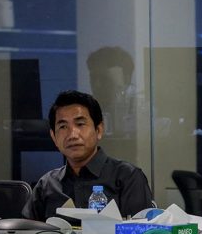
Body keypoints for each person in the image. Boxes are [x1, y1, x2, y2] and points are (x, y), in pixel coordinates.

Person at [22, 90, 154, 221]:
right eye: (63, 127)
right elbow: (25, 230)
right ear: (54, 137)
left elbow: (142, 231)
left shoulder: (127, 177)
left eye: (80, 124)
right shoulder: (47, 185)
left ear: (99, 130)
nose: (72, 135)